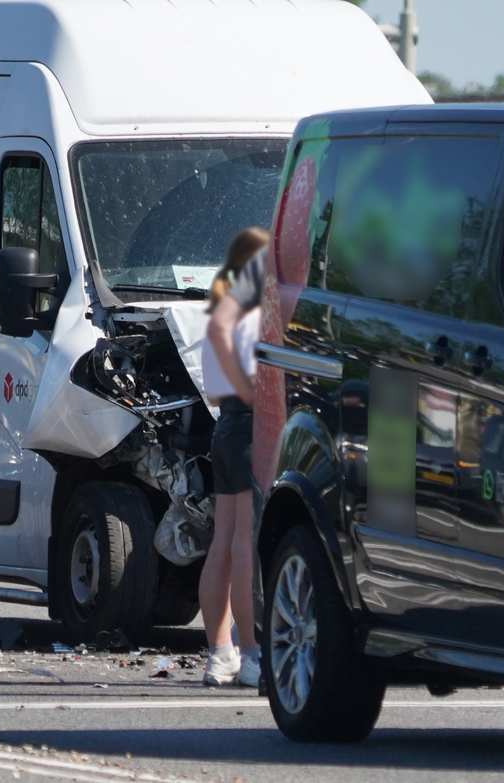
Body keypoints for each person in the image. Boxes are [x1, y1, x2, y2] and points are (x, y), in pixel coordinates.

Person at [198, 227, 269, 688]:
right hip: (249, 423)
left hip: (223, 424)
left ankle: (218, 652)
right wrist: (250, 391)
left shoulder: (216, 313)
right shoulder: (252, 317)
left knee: (222, 540)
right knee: (246, 542)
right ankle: (251, 654)